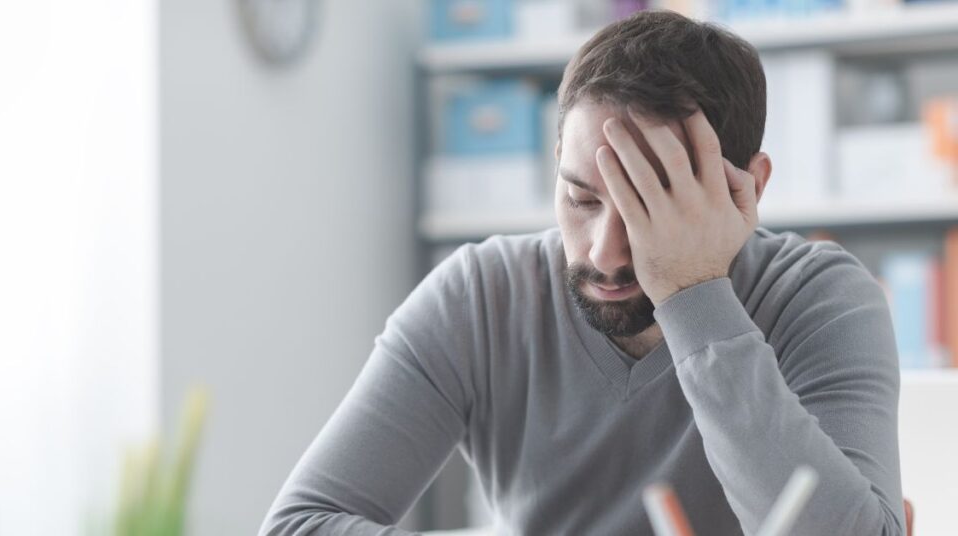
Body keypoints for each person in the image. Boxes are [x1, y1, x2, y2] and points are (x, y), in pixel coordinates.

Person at [259, 10, 905, 536]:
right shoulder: (481, 299)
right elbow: (297, 525)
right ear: (557, 157)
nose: (604, 252)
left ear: (749, 188)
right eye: (582, 198)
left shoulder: (821, 299)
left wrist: (696, 296)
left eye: (650, 208)